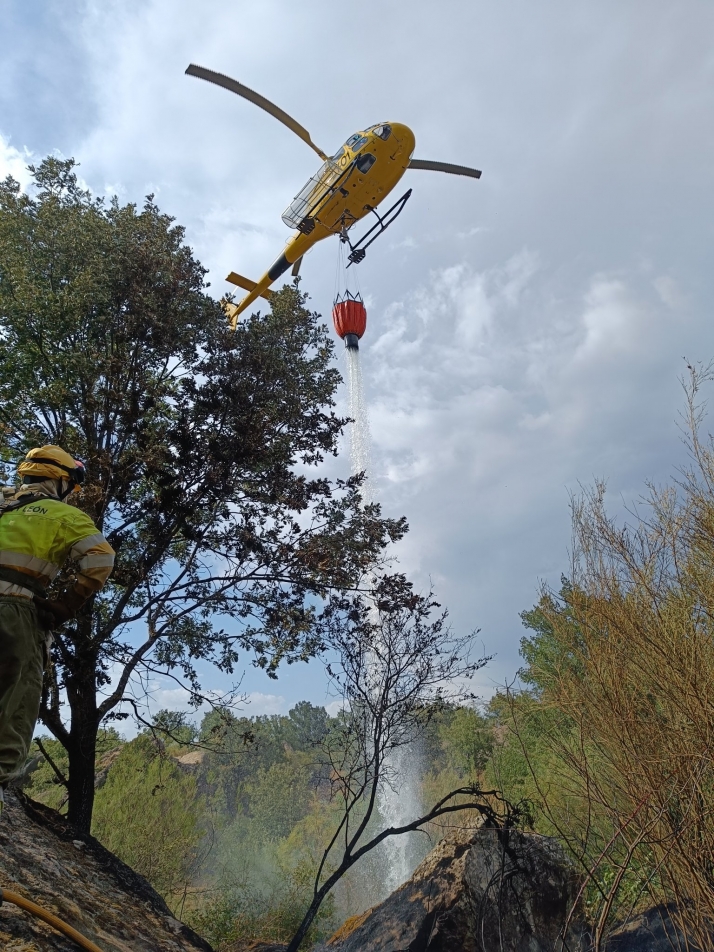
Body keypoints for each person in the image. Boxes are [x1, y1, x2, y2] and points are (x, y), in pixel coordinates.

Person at [0, 445, 115, 816]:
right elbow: (101, 558)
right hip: (15, 608)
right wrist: (67, 604)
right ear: (61, 481)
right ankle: (2, 777)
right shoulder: (61, 514)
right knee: (19, 691)